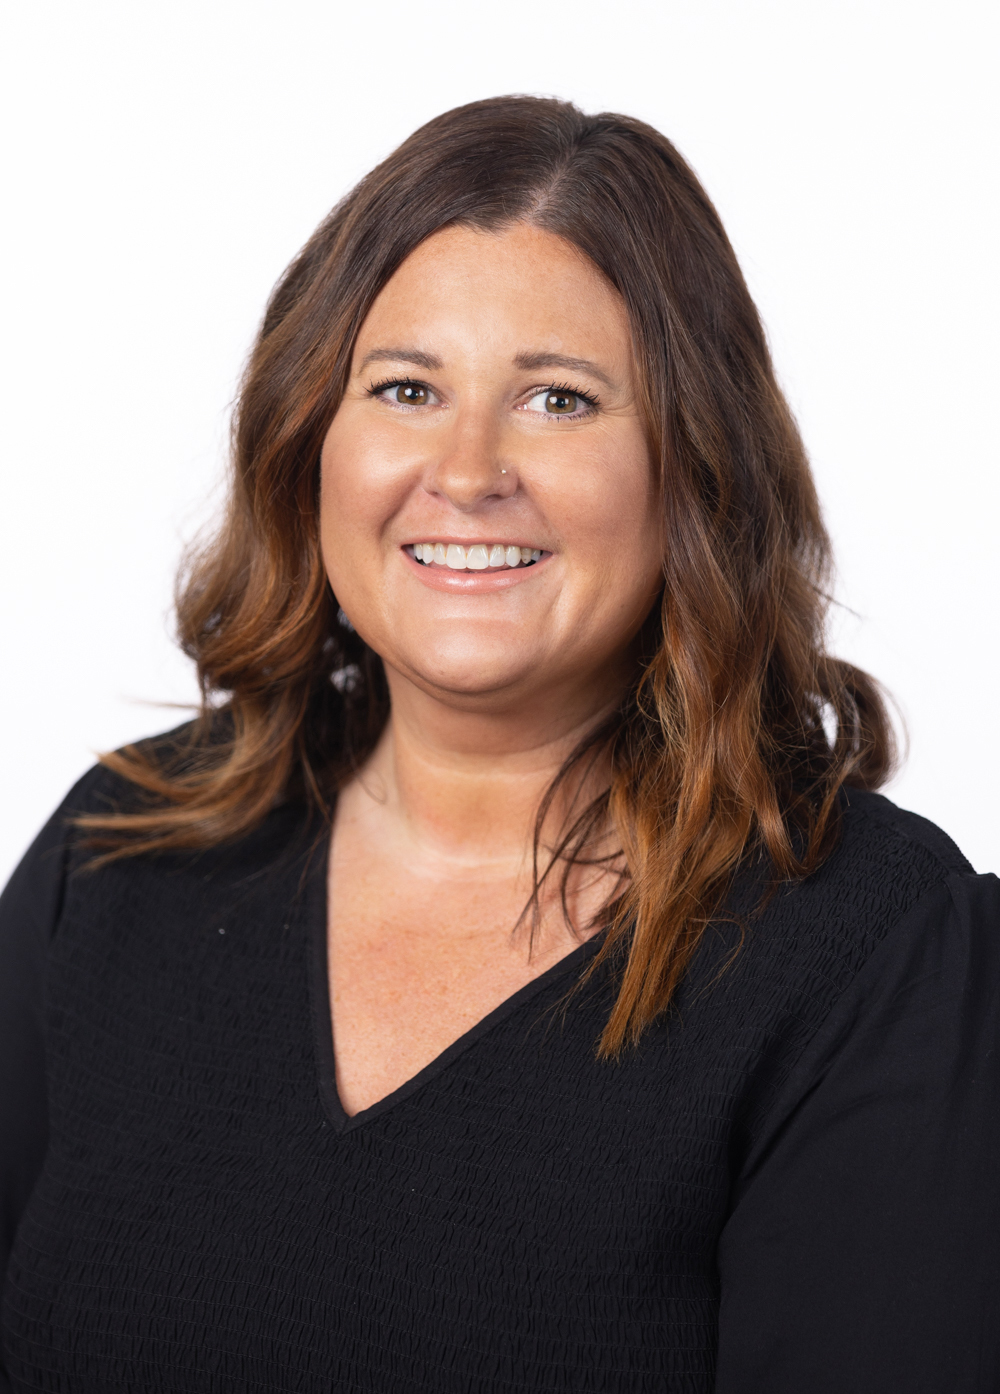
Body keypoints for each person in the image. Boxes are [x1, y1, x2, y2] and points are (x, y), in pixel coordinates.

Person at [1, 95, 997, 1393]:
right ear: (314, 438)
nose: (467, 469)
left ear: (693, 470)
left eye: (559, 399)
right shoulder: (119, 853)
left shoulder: (876, 946)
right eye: (407, 388)